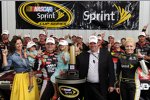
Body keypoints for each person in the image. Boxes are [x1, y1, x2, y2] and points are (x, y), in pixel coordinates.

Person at [76, 35, 115, 100]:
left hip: (102, 86)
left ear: (98, 43)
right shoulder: (83, 54)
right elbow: (76, 65)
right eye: (91, 43)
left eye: (94, 43)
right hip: (88, 86)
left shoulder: (106, 54)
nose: (92, 45)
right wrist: (75, 53)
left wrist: (111, 84)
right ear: (88, 44)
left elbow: (111, 70)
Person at [2, 36, 39, 100]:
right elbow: (6, 67)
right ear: (14, 45)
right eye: (17, 43)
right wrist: (4, 56)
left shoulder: (25, 52)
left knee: (31, 97)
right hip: (20, 79)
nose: (20, 45)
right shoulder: (12, 55)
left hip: (30, 77)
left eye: (20, 43)